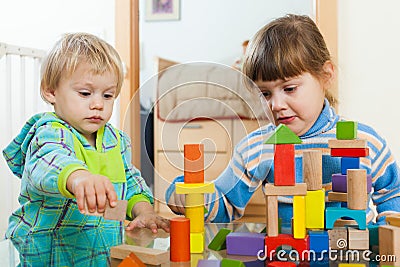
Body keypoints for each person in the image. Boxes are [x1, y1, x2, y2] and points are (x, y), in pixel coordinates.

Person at [166, 14, 400, 227]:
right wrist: (190, 197)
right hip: (285, 252)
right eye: (264, 93)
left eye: (289, 88)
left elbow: (392, 195)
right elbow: (225, 202)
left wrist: (386, 237)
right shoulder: (257, 147)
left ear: (326, 75)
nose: (275, 105)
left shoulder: (365, 141)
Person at [2, 33, 169, 266]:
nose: (98, 104)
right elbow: (50, 160)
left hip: (98, 252)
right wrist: (79, 178)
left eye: (108, 95)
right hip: (49, 254)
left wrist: (143, 211)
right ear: (51, 91)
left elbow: (130, 183)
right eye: (85, 93)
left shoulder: (116, 140)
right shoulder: (49, 131)